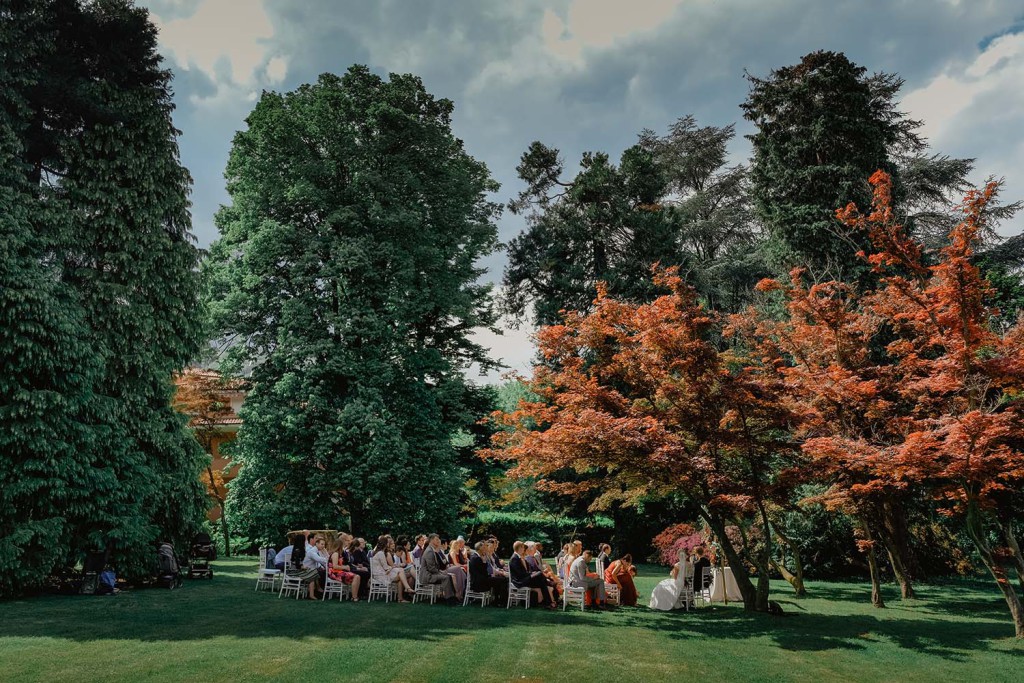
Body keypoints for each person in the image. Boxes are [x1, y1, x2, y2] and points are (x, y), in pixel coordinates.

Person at [371, 535, 413, 602]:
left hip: (379, 574)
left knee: (400, 576)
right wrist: (393, 567)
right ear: (386, 544)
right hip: (381, 576)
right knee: (401, 571)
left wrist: (392, 567)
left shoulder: (377, 552)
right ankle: (406, 589)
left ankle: (401, 597)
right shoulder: (381, 553)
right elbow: (386, 568)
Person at [512, 541, 555, 608]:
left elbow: (523, 572)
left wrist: (531, 573)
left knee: (542, 583)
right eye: (523, 548)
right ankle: (549, 585)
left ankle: (548, 603)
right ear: (519, 548)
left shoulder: (518, 557)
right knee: (539, 574)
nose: (524, 549)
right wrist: (530, 574)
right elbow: (520, 574)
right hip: (520, 581)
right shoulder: (514, 558)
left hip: (524, 578)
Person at [418, 534, 456, 601]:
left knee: (448, 576)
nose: (438, 541)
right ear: (431, 540)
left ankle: (451, 597)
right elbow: (431, 568)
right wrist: (441, 572)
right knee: (446, 577)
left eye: (438, 539)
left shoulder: (432, 550)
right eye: (436, 539)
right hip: (428, 576)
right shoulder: (429, 551)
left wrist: (441, 572)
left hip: (432, 574)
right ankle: (449, 599)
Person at [468, 541, 507, 605]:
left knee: (500, 579)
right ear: (480, 548)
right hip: (479, 582)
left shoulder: (477, 556)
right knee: (502, 580)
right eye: (484, 547)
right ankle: (502, 601)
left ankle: (497, 600)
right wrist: (485, 562)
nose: (485, 549)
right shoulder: (476, 558)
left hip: (482, 579)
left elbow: (484, 571)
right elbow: (484, 571)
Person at [289, 534, 319, 600]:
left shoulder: (297, 549)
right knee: (312, 576)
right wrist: (303, 567)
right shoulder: (297, 551)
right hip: (295, 572)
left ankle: (312, 592)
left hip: (296, 570)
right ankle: (312, 594)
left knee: (313, 572)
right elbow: (297, 565)